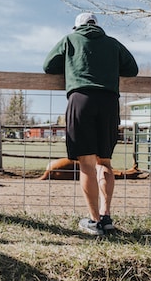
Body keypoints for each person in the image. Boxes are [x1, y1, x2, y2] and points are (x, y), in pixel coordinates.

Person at [43, 12, 138, 235]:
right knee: (104, 162)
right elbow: (132, 69)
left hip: (81, 100)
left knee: (86, 163)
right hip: (108, 102)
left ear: (77, 27)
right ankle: (106, 217)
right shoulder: (113, 43)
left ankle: (94, 221)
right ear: (97, 26)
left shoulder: (69, 40)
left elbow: (48, 66)